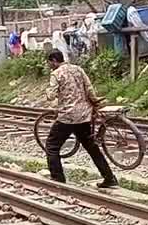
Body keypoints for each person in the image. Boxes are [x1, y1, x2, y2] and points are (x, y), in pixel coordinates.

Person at [42, 49, 120, 189]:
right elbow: (89, 88)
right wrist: (95, 101)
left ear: (54, 60)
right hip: (84, 116)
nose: (49, 65)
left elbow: (51, 95)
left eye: (49, 63)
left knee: (52, 147)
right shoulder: (78, 69)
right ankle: (109, 178)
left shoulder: (56, 74)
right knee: (91, 147)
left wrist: (48, 94)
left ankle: (57, 179)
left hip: (67, 116)